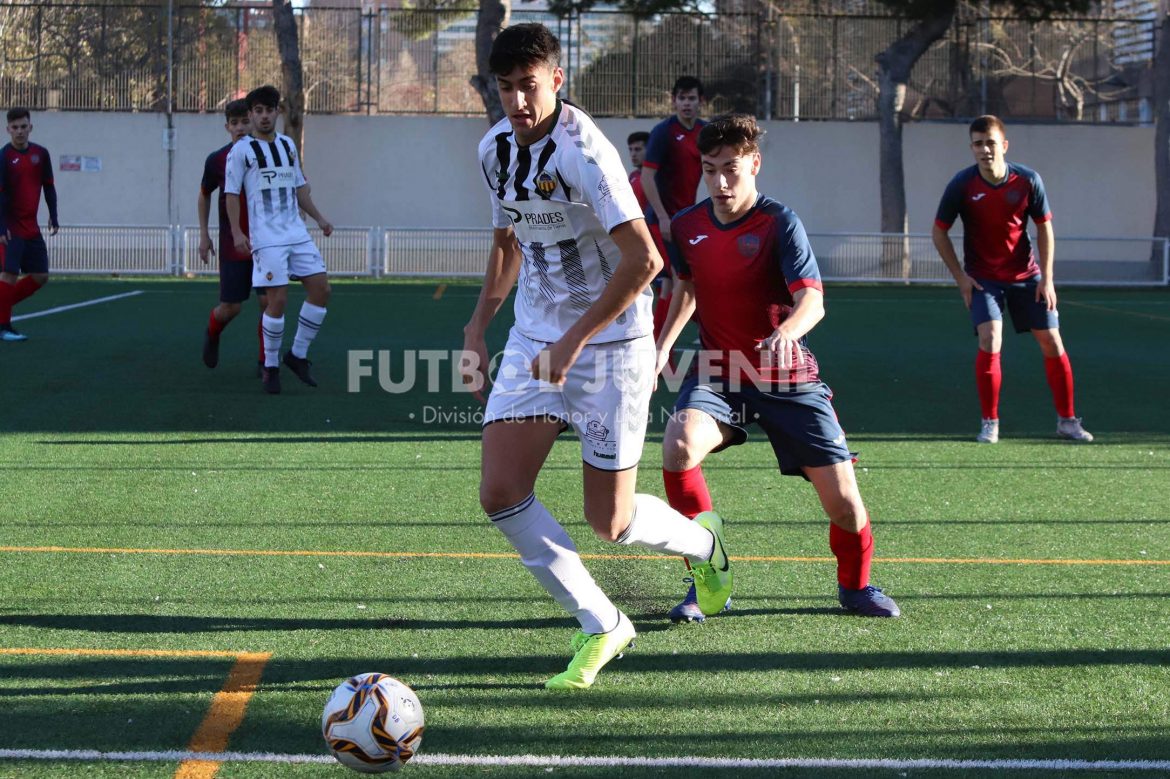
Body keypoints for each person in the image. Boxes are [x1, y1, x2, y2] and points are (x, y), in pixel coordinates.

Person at [461, 23, 732, 690]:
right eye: (506, 89)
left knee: (608, 520)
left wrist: (573, 340)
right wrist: (476, 329)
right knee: (500, 491)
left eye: (530, 86)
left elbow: (646, 261)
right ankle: (602, 622)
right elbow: (507, 242)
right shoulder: (494, 150)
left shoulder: (587, 153)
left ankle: (704, 543)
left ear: (557, 80)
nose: (518, 102)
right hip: (533, 339)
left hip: (609, 345)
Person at [656, 113, 901, 622]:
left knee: (846, 506)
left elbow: (812, 299)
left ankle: (856, 588)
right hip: (719, 370)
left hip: (789, 378)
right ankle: (707, 572)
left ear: (755, 164)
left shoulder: (780, 223)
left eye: (731, 169)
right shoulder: (686, 226)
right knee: (678, 445)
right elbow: (686, 292)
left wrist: (787, 331)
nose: (720, 182)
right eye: (709, 169)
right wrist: (663, 347)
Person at [932, 115, 1092, 444]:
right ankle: (990, 423)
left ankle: (1067, 421)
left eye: (990, 142)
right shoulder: (962, 184)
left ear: (1004, 145)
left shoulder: (1028, 180)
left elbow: (1044, 227)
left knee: (1051, 340)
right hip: (982, 280)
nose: (985, 149)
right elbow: (939, 232)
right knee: (990, 339)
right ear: (972, 148)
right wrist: (961, 278)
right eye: (978, 144)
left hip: (1026, 276)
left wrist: (1046, 279)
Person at [224, 85, 334, 395]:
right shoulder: (242, 150)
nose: (262, 116)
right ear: (251, 115)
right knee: (278, 300)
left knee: (321, 289)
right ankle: (270, 367)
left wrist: (320, 218)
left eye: (268, 110)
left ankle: (297, 356)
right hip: (267, 237)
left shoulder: (287, 146)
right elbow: (231, 194)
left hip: (296, 234)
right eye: (256, 111)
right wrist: (237, 232)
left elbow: (300, 188)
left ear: (276, 113)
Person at [199, 98, 268, 372]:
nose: (240, 128)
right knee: (231, 307)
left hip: (266, 243)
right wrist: (204, 235)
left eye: (244, 122)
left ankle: (267, 362)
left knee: (269, 302)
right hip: (232, 244)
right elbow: (204, 195)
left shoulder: (268, 154)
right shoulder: (217, 160)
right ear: (227, 126)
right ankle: (212, 332)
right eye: (234, 123)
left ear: (252, 121)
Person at [641, 76, 706, 343]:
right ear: (674, 100)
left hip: (687, 220)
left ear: (701, 102)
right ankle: (659, 347)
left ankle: (658, 346)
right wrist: (664, 218)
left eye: (692, 98)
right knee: (681, 281)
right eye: (682, 98)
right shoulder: (664, 132)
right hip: (661, 222)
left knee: (675, 284)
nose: (686, 103)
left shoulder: (706, 132)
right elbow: (647, 177)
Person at [0, 107, 58, 342]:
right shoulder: (3, 157)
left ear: (30, 127)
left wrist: (54, 215)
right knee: (9, 274)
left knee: (41, 276)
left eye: (24, 126)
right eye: (15, 127)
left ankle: (1, 305)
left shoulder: (41, 155)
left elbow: (49, 186)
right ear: (8, 130)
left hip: (31, 228)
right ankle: (4, 327)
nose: (20, 131)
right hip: (10, 227)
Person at [626, 130, 650, 213]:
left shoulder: (659, 177)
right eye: (630, 149)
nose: (633, 154)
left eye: (638, 149)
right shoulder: (633, 176)